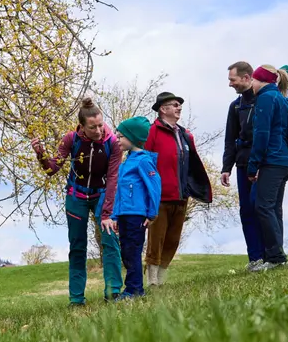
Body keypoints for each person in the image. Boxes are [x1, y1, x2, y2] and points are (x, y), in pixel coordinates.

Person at [32, 96, 123, 304]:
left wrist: (108, 213)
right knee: (77, 246)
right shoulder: (71, 139)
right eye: (93, 127)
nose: (99, 130)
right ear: (82, 126)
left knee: (110, 241)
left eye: (101, 125)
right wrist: (41, 155)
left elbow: (113, 179)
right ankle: (76, 298)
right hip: (77, 195)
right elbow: (51, 169)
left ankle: (113, 292)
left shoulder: (112, 143)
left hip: (102, 194)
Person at [143, 92, 213, 286]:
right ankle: (152, 281)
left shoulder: (185, 134)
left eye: (179, 104)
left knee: (172, 240)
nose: (179, 107)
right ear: (163, 109)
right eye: (175, 104)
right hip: (160, 197)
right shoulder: (152, 132)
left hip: (181, 195)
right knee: (156, 239)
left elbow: (192, 165)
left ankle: (162, 279)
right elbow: (144, 162)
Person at [247, 65, 288, 270]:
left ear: (261, 81)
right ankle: (276, 256)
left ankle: (275, 258)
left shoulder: (266, 98)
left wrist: (253, 165)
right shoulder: (283, 100)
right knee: (274, 208)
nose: (251, 85)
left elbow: (262, 134)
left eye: (254, 81)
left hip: (272, 160)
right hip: (285, 161)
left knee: (263, 206)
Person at [110, 116, 161, 297]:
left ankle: (134, 290)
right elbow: (119, 193)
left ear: (132, 137)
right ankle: (133, 288)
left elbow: (154, 186)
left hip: (137, 215)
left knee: (132, 251)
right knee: (126, 253)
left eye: (121, 136)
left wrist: (152, 212)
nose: (117, 140)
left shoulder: (143, 161)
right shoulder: (125, 164)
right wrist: (115, 216)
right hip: (124, 215)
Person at [220, 61, 264, 271]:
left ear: (246, 78)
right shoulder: (235, 106)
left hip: (264, 163)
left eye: (232, 80)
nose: (230, 84)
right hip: (242, 164)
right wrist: (226, 167)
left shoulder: (264, 101)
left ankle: (271, 254)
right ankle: (254, 257)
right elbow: (230, 138)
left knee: (262, 208)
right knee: (246, 209)